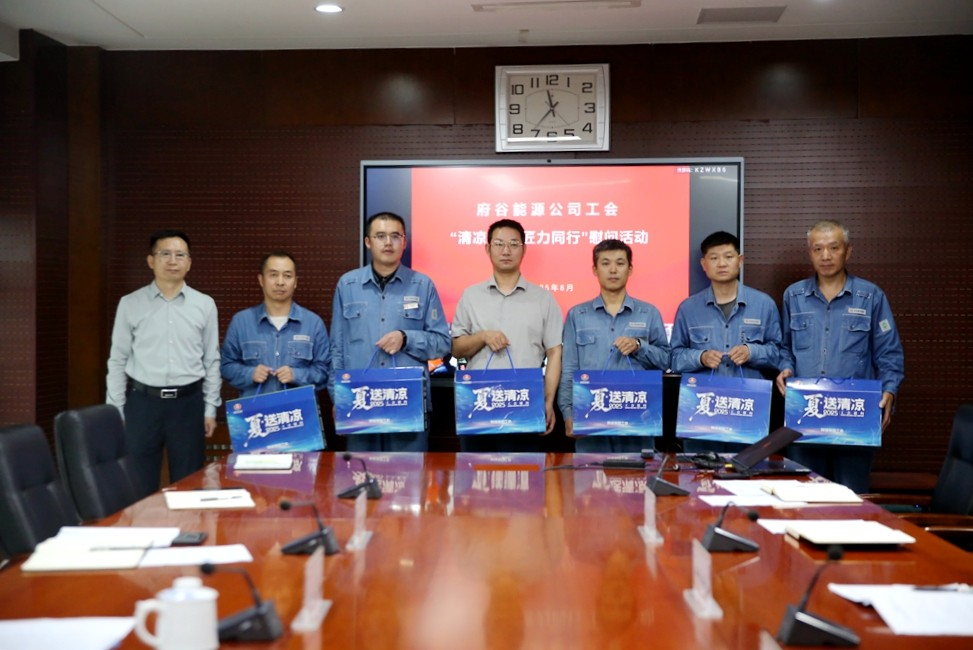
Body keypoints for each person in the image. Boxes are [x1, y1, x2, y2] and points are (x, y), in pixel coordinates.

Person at [776, 220, 904, 493]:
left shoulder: (871, 296)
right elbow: (784, 347)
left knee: (851, 496)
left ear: (848, 251)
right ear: (810, 253)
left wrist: (890, 392)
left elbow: (889, 353)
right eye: (818, 249)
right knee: (804, 497)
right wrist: (785, 367)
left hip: (853, 416)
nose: (826, 256)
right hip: (805, 415)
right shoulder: (793, 296)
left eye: (834, 248)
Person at [106, 229, 221, 497]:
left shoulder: (204, 304)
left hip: (188, 404)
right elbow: (117, 360)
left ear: (189, 262)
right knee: (139, 486)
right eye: (165, 254)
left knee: (189, 485)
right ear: (151, 261)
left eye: (180, 255)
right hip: (143, 404)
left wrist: (210, 408)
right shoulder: (130, 304)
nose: (172, 261)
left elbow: (212, 359)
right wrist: (116, 410)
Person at [330, 211, 450, 452]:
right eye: (380, 236)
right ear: (368, 242)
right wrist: (338, 396)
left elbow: (442, 344)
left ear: (404, 242)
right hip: (359, 402)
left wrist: (406, 338)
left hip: (408, 403)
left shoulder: (423, 285)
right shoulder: (348, 285)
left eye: (395, 236)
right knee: (362, 473)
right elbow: (337, 348)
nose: (388, 243)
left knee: (408, 474)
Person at [452, 218, 563, 452]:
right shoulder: (471, 296)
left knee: (524, 471)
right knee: (477, 472)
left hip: (524, 403)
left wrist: (548, 400)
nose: (506, 250)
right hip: (478, 405)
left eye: (513, 244)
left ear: (524, 249)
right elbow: (456, 348)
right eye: (499, 244)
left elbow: (555, 352)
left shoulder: (543, 299)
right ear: (487, 248)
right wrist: (482, 337)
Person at [670, 231, 782, 453]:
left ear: (740, 260)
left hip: (748, 410)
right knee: (700, 471)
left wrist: (752, 352)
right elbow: (673, 358)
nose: (721, 263)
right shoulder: (688, 308)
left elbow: (779, 353)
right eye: (714, 258)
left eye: (728, 257)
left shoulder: (764, 304)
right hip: (702, 412)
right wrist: (700, 357)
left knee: (748, 471)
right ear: (704, 264)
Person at [559, 239, 670, 453]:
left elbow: (666, 360)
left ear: (630, 269)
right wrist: (568, 412)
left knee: (636, 473)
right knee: (591, 473)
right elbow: (569, 369)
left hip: (638, 416)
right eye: (605, 263)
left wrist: (639, 346)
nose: (613, 270)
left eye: (620, 263)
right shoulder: (577, 315)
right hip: (590, 415)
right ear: (595, 269)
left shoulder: (649, 313)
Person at [221, 252, 330, 400]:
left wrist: (296, 375)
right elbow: (226, 366)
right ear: (261, 280)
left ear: (295, 282)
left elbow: (325, 371)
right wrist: (250, 373)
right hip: (256, 411)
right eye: (273, 275)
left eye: (287, 276)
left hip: (298, 411)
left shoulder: (313, 323)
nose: (280, 282)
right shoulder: (241, 322)